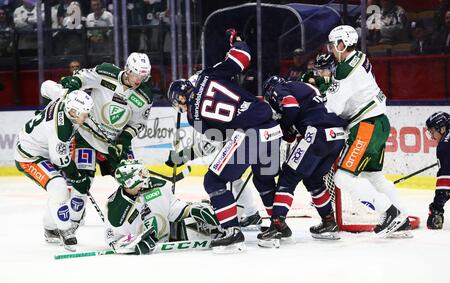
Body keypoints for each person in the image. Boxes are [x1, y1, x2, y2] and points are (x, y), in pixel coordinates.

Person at [166, 28, 282, 252]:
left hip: (250, 134)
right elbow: (243, 56)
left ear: (181, 98)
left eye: (178, 103)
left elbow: (219, 139)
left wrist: (184, 155)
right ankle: (278, 225)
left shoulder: (193, 117)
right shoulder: (209, 75)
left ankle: (232, 231)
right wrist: (237, 42)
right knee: (263, 180)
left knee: (213, 180)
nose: (180, 108)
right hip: (271, 127)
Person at [40, 52, 153, 234]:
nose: (139, 80)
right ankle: (64, 226)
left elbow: (138, 123)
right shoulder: (105, 72)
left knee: (134, 180)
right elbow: (81, 78)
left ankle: (143, 221)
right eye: (136, 74)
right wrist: (75, 83)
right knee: (81, 184)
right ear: (127, 69)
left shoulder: (145, 95)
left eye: (143, 76)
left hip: (115, 144)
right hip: (87, 137)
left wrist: (124, 139)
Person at [325, 24, 411, 238]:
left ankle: (389, 212)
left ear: (341, 43)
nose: (330, 50)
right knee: (375, 177)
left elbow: (332, 108)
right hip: (380, 122)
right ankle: (403, 217)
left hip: (365, 126)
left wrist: (322, 94)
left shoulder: (344, 69)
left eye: (332, 45)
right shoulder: (360, 56)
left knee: (342, 179)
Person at [257, 76, 347, 246]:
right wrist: (290, 129)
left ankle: (277, 225)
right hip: (337, 136)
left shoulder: (278, 87)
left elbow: (290, 108)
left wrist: (283, 125)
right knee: (313, 179)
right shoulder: (304, 88)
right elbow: (302, 115)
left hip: (317, 133)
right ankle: (329, 223)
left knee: (288, 177)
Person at [14, 90, 94, 251]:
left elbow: (45, 86)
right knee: (58, 187)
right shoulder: (61, 130)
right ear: (73, 111)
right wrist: (78, 178)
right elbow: (60, 159)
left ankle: (50, 228)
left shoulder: (64, 96)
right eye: (84, 114)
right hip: (29, 157)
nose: (86, 117)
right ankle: (65, 231)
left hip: (43, 149)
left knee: (56, 189)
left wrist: (64, 89)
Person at [105, 159, 221, 255]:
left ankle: (219, 228)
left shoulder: (158, 185)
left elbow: (171, 208)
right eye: (140, 174)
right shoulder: (114, 207)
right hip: (148, 264)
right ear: (130, 181)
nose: (145, 175)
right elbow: (112, 239)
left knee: (199, 214)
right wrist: (134, 244)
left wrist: (191, 210)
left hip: (169, 247)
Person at [425, 112, 450, 230]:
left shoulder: (444, 146)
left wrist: (437, 208)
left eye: (432, 131)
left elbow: (445, 185)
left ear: (442, 128)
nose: (432, 136)